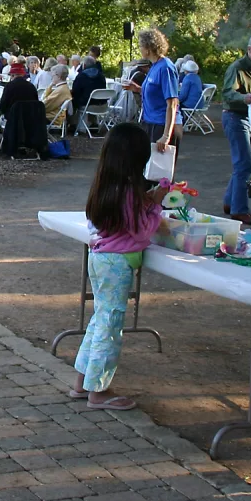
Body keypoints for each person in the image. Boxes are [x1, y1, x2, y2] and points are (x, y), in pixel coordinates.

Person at [71, 123, 169, 411]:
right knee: (110, 326)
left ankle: (83, 382)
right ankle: (99, 392)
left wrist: (148, 200)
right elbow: (141, 231)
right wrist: (156, 206)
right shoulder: (127, 190)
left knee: (100, 320)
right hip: (116, 263)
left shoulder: (107, 184)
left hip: (101, 259)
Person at [219, 34, 251, 223]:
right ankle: (239, 210)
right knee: (243, 164)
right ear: (249, 50)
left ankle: (230, 202)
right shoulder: (236, 68)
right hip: (234, 116)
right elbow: (227, 93)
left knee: (245, 164)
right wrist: (244, 98)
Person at [121, 28, 179, 153]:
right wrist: (137, 89)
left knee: (159, 170)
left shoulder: (166, 68)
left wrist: (166, 136)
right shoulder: (154, 66)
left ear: (149, 48)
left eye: (141, 45)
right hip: (149, 122)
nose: (139, 49)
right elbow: (156, 93)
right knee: (148, 168)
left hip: (161, 125)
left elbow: (172, 103)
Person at [68, 53, 108, 134]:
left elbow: (75, 91)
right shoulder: (101, 76)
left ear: (84, 65)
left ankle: (73, 124)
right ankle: (94, 123)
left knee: (72, 100)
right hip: (103, 105)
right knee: (88, 98)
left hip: (87, 106)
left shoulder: (81, 76)